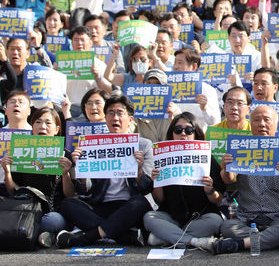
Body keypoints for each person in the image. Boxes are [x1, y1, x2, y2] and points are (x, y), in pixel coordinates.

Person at [57, 94, 153, 247]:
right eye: (110, 113)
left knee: (141, 203)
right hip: (101, 205)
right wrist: (81, 171)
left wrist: (139, 170)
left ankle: (88, 237)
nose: (115, 118)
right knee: (68, 204)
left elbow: (147, 187)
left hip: (128, 205)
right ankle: (124, 235)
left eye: (120, 113)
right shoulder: (94, 143)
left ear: (130, 119)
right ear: (105, 117)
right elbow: (85, 191)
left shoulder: (143, 145)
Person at [212, 104, 279, 254]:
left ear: (276, 124)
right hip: (247, 216)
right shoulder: (240, 148)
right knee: (226, 227)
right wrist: (227, 167)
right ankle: (275, 240)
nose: (261, 124)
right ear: (250, 122)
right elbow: (229, 180)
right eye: (256, 120)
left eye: (267, 120)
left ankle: (241, 244)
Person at [143, 113, 225, 249]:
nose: (183, 133)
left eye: (188, 130)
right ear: (172, 133)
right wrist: (156, 183)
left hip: (200, 218)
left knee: (215, 221)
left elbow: (218, 200)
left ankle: (167, 237)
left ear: (196, 133)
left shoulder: (207, 159)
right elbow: (159, 201)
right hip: (171, 218)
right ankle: (193, 241)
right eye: (178, 130)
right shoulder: (163, 158)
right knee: (149, 217)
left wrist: (210, 190)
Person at [1, 107, 74, 247]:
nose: (43, 127)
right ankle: (38, 235)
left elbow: (70, 194)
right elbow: (12, 191)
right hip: (26, 209)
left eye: (48, 123)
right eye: (38, 122)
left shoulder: (64, 155)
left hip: (51, 212)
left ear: (57, 129)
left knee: (54, 220)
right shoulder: (21, 152)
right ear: (32, 127)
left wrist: (65, 173)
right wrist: (7, 172)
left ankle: (22, 233)